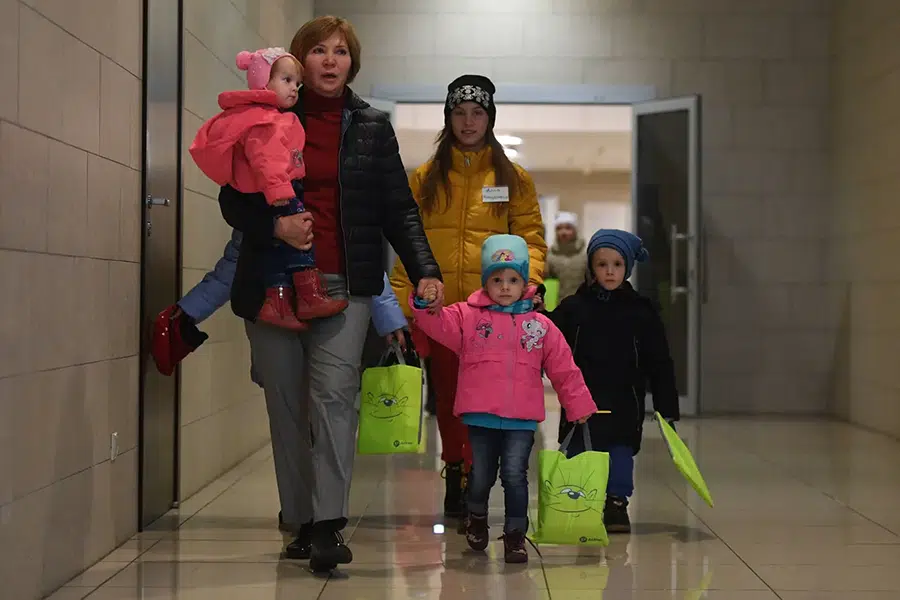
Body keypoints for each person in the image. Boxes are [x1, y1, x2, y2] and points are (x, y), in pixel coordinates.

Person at [216, 16, 442, 572]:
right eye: (318, 50)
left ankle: (327, 524)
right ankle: (298, 518)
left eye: (341, 51)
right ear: (297, 61)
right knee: (287, 405)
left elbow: (399, 208)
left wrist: (425, 269)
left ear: (352, 63)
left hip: (345, 283)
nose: (330, 60)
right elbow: (233, 200)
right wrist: (275, 226)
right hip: (272, 283)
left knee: (335, 400)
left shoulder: (372, 126)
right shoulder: (263, 116)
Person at [390, 74, 547, 521]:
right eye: (459, 113)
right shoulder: (426, 178)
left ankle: (474, 476)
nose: (468, 121)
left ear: (490, 118)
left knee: (482, 399)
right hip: (441, 312)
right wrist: (402, 303)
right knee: (447, 398)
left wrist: (530, 284)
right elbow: (408, 240)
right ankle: (455, 469)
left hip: (493, 311)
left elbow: (531, 239)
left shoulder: (512, 178)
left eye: (477, 112)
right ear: (448, 118)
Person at [409, 234, 593, 563]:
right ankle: (476, 516)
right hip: (480, 416)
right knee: (480, 475)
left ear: (525, 283)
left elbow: (564, 368)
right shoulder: (467, 317)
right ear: (486, 282)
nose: (505, 287)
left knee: (515, 476)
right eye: (497, 280)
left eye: (513, 280)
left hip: (521, 419)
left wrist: (578, 404)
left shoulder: (540, 326)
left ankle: (515, 535)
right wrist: (424, 304)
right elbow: (437, 325)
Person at [189, 47, 346, 331]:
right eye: (286, 80)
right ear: (263, 82)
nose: (294, 88)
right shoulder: (265, 120)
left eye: (296, 83)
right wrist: (280, 193)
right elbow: (267, 161)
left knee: (276, 249)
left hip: (268, 192)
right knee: (300, 237)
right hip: (279, 190)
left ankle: (278, 301)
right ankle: (309, 295)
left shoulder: (260, 116)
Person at [540, 229, 680, 534]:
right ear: (592, 267)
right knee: (581, 450)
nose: (609, 271)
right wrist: (536, 313)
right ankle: (581, 502)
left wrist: (666, 405)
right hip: (582, 398)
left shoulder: (641, 311)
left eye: (617, 265)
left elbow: (659, 361)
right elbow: (549, 336)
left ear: (627, 267)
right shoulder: (574, 307)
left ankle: (616, 502)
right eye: (602, 264)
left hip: (624, 399)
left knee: (620, 452)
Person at [545, 211, 587, 303]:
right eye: (559, 228)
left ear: (575, 230)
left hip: (584, 303)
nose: (563, 232)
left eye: (568, 228)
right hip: (560, 304)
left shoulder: (585, 254)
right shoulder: (551, 255)